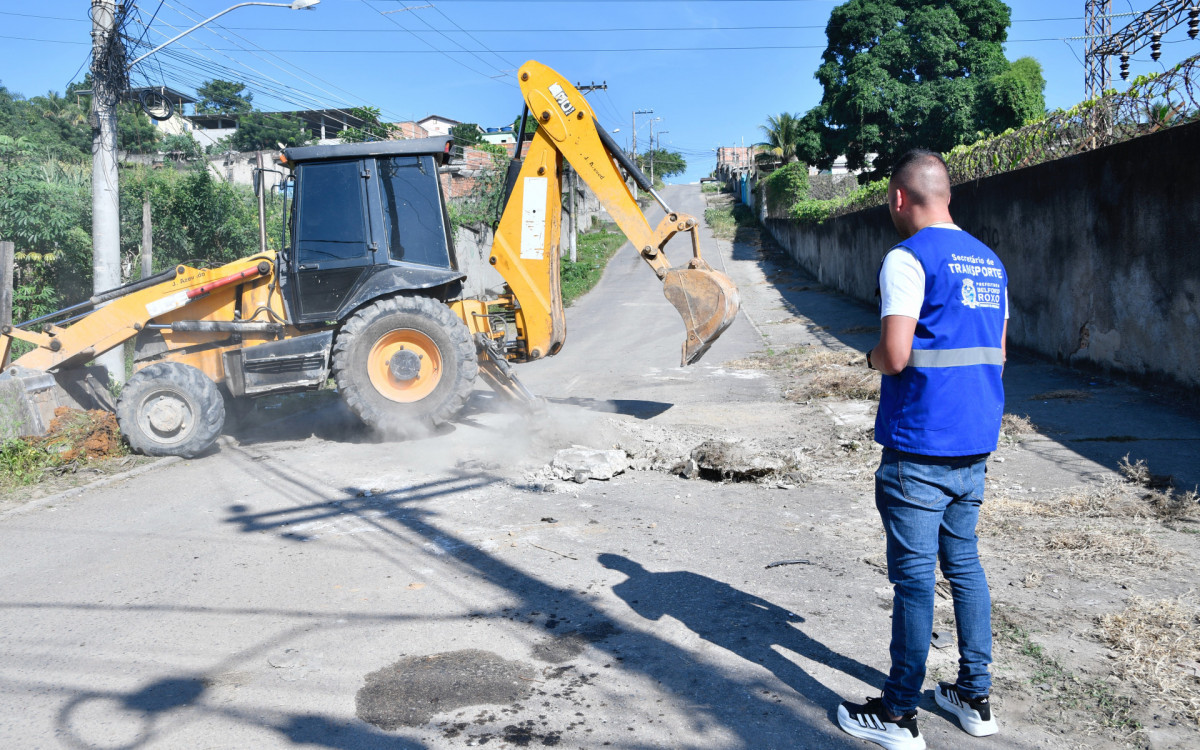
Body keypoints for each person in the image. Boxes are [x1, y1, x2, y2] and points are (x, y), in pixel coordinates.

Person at [836, 150, 1008, 750]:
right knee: (964, 567)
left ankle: (899, 714)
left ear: (899, 199)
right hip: (974, 443)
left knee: (913, 582)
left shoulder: (907, 259)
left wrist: (868, 359)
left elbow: (896, 353)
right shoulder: (990, 263)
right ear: (948, 196)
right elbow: (999, 353)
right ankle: (974, 697)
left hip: (919, 448)